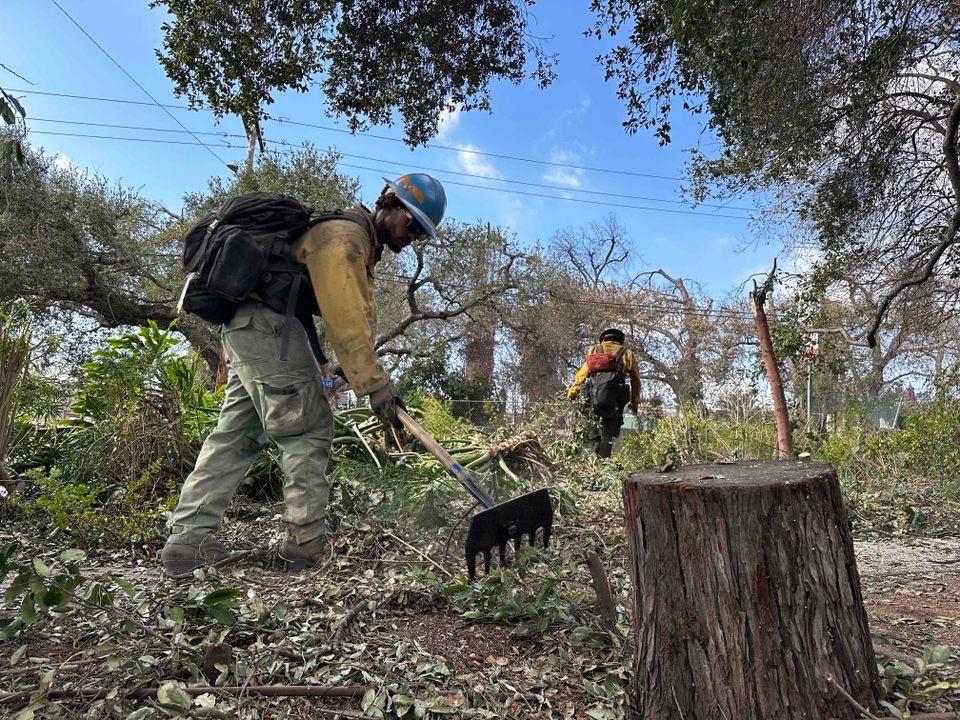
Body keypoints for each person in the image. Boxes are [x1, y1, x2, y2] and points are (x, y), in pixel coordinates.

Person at [161, 174, 446, 577]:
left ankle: (188, 540)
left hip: (253, 332)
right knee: (308, 428)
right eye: (411, 223)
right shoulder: (344, 237)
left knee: (238, 433)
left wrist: (336, 368)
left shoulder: (348, 238)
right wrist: (376, 384)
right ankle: (306, 543)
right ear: (388, 203)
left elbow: (323, 309)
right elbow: (345, 319)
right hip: (268, 330)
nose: (412, 236)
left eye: (421, 233)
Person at [567, 327, 641, 458]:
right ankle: (604, 460)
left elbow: (583, 373)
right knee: (608, 434)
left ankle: (595, 451)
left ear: (603, 339)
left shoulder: (594, 350)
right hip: (614, 402)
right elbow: (635, 380)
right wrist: (634, 403)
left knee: (591, 428)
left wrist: (572, 392)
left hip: (592, 398)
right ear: (619, 340)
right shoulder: (627, 353)